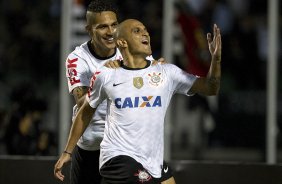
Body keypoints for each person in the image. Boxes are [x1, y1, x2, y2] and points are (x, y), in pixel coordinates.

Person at [55, 18, 221, 183]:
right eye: (137, 31)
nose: (145, 33)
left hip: (151, 160)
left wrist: (216, 60)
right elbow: (85, 111)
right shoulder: (106, 75)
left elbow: (210, 88)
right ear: (122, 42)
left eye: (145, 30)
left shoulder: (167, 73)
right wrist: (67, 152)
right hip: (117, 158)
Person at [60, 0, 174, 183]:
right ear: (89, 29)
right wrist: (106, 74)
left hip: (126, 147)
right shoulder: (77, 59)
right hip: (91, 146)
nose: (111, 32)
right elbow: (83, 104)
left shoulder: (130, 49)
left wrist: (160, 70)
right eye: (102, 27)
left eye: (114, 25)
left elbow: (152, 77)